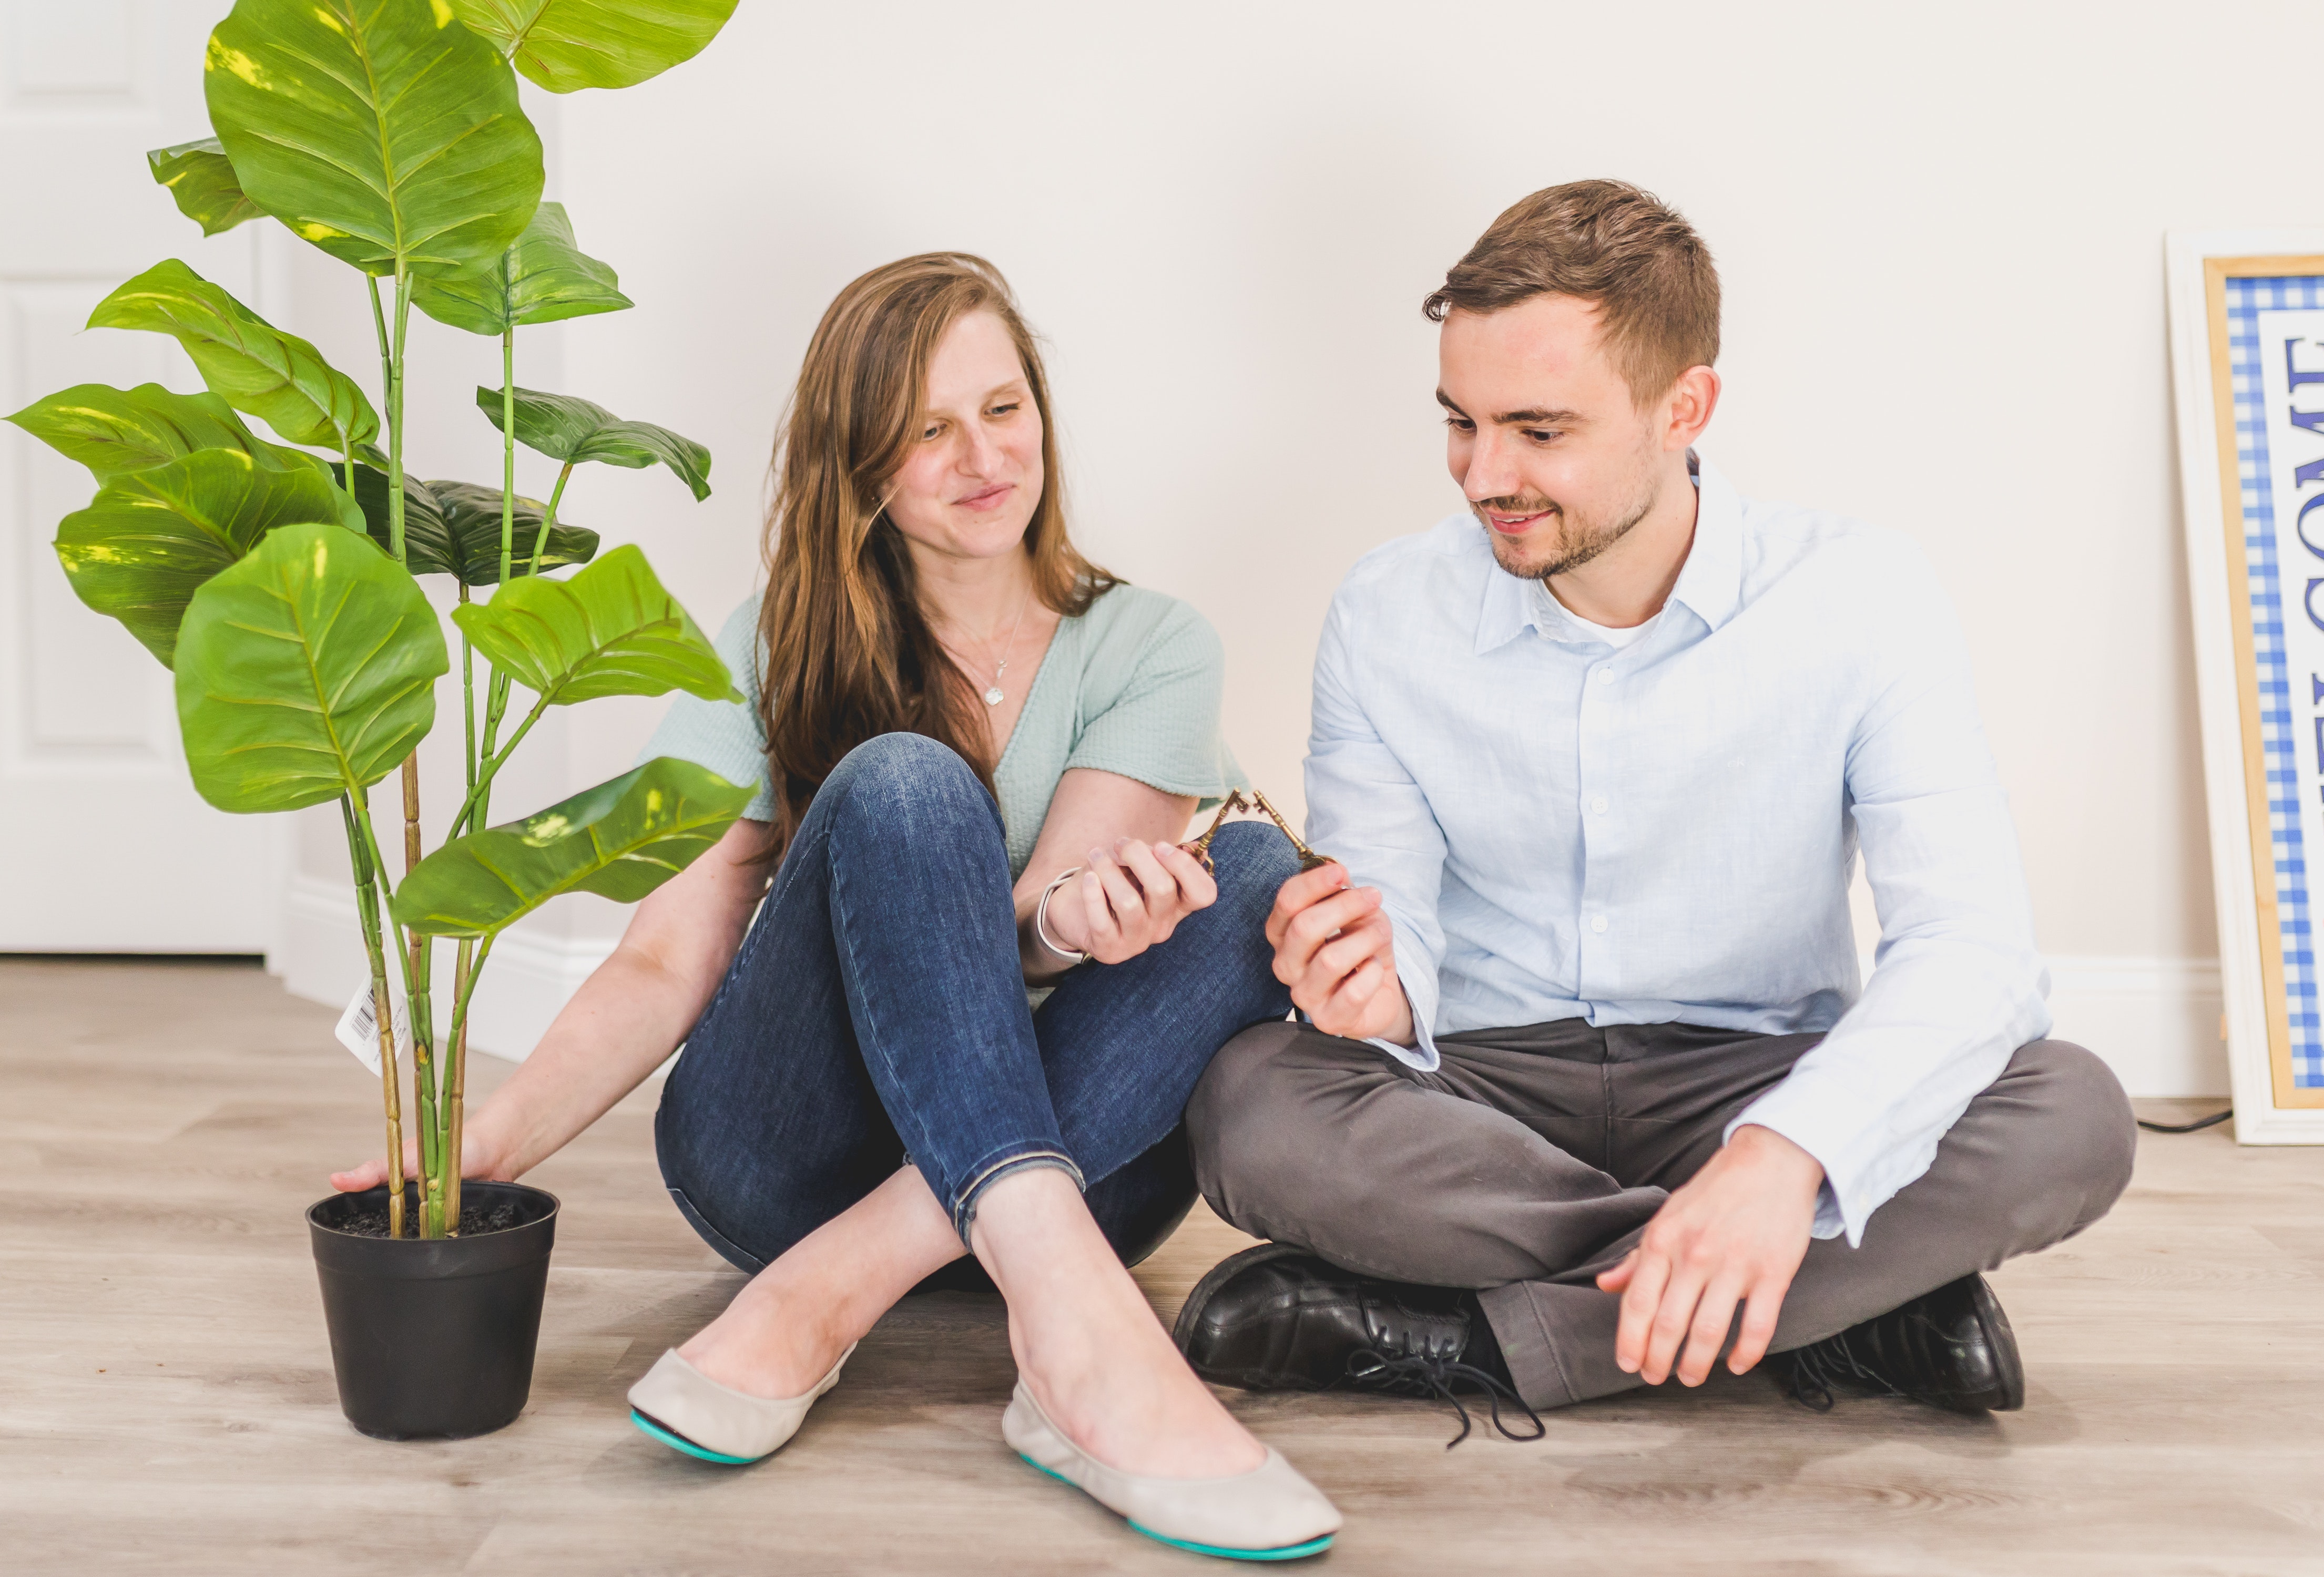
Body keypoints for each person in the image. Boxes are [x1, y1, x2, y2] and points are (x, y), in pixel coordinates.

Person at [333, 254, 1339, 1560]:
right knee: (906, 782)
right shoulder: (770, 643)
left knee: (1258, 874)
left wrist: (1076, 927)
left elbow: (1039, 922)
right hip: (788, 1161)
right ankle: (1073, 1349)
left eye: (1003, 408)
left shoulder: (1152, 642)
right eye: (927, 431)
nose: (983, 457)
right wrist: (492, 1139)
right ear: (859, 467)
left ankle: (829, 1290)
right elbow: (667, 957)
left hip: (1082, 1171)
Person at [1172, 182, 2137, 1437]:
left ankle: (1476, 1338)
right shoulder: (1386, 612)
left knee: (2074, 1111)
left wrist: (1784, 1161)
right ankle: (1835, 1306)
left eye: (1538, 429)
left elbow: (1974, 951)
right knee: (1251, 1102)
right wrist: (1375, 986)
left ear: (1684, 409)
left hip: (1758, 1077)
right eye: (1460, 423)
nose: (1484, 475)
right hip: (1485, 1097)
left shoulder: (1862, 597)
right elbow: (1391, 916)